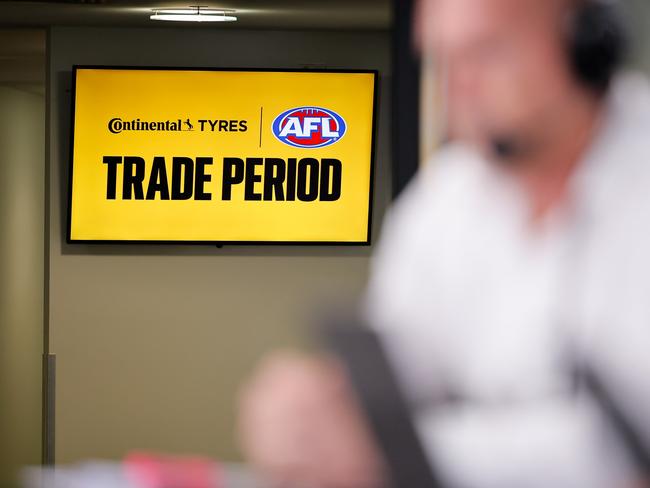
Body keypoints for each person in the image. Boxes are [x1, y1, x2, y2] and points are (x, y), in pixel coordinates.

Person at [237, 0, 650, 487]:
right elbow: (401, 374)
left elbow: (621, 448)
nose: (459, 86)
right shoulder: (446, 203)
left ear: (586, 41)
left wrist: (395, 449)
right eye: (442, 59)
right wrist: (323, 414)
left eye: (486, 53)